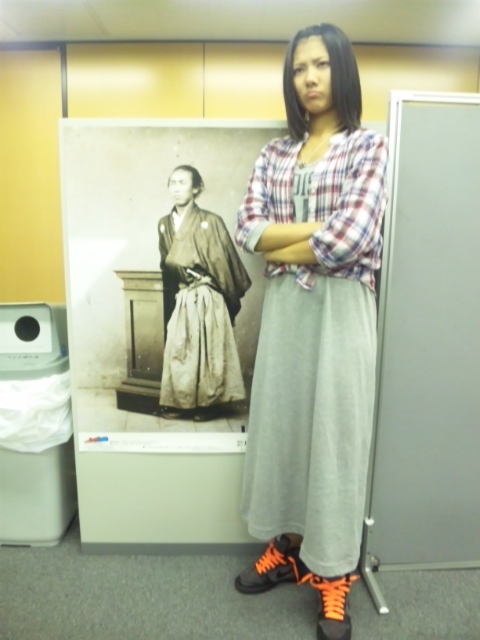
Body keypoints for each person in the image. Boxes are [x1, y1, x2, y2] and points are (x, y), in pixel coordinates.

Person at [234, 23, 388, 640]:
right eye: (299, 68)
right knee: (285, 427)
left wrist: (284, 242)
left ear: (341, 70)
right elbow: (248, 229)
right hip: (287, 313)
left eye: (321, 64)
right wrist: (315, 234)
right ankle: (290, 547)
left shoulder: (368, 147)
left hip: (343, 310)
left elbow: (357, 236)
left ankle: (334, 570)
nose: (309, 78)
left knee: (337, 437)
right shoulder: (275, 154)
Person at [158, 165, 251, 422]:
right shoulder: (164, 225)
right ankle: (183, 402)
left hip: (209, 295)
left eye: (183, 183)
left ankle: (210, 403)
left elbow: (226, 265)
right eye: (173, 183)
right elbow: (166, 263)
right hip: (184, 295)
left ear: (196, 188)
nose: (177, 188)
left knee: (210, 350)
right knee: (181, 348)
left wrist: (216, 288)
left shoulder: (212, 221)